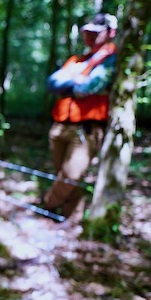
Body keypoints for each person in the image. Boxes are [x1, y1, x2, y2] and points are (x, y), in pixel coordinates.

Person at [43, 12, 118, 221]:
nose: (89, 37)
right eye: (87, 33)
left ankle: (46, 204)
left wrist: (73, 80)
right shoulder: (77, 59)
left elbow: (89, 86)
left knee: (71, 176)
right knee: (63, 176)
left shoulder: (111, 59)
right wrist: (74, 82)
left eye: (95, 33)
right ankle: (70, 219)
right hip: (59, 126)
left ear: (110, 33)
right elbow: (51, 83)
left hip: (86, 129)